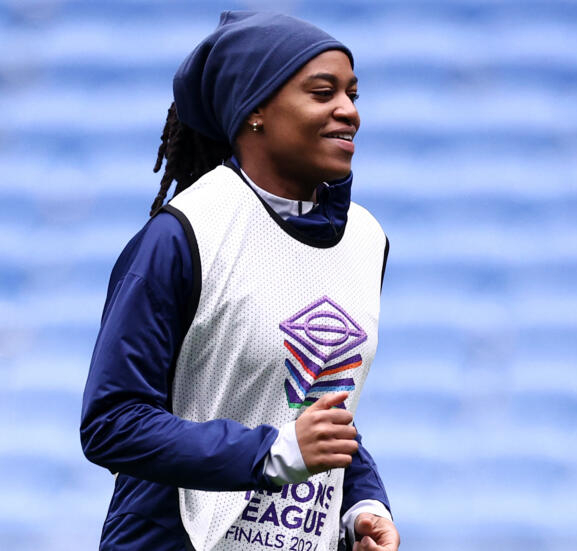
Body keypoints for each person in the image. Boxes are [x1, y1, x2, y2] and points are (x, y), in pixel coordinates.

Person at [80, 11, 399, 551]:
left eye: (353, 94)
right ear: (255, 111)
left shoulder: (367, 240)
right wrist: (271, 454)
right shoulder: (184, 234)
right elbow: (112, 421)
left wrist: (362, 504)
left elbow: (309, 404)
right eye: (323, 93)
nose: (349, 112)